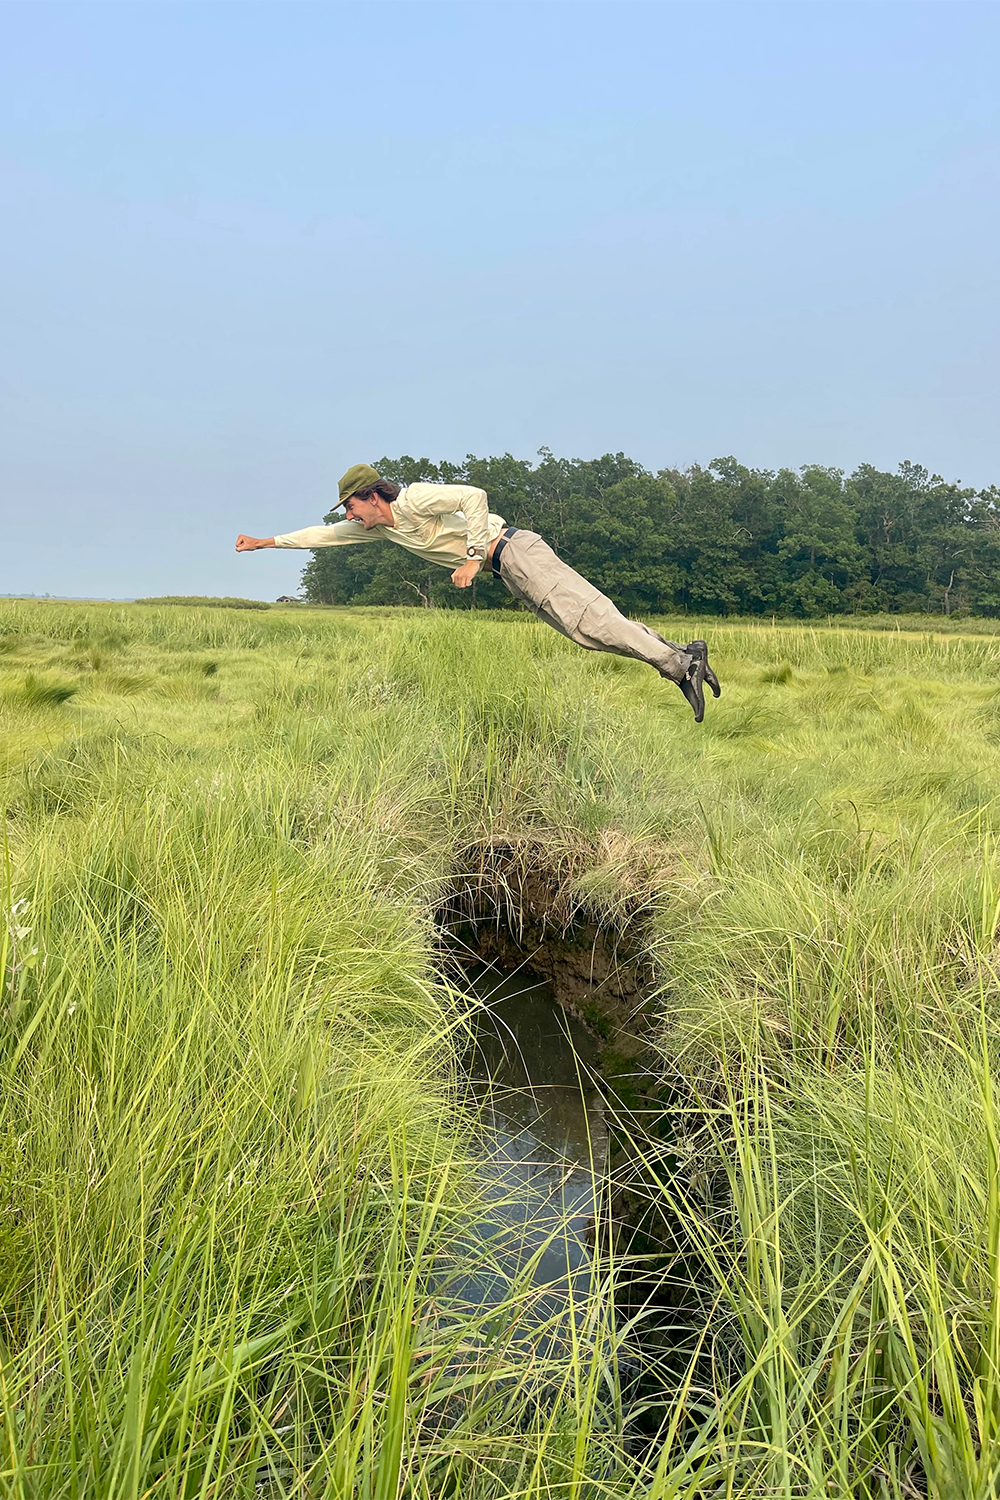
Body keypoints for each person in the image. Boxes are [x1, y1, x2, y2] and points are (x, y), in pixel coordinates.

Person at [236, 463, 721, 720]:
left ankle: (679, 665)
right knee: (586, 633)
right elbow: (322, 536)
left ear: (374, 495)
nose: (348, 516)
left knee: (589, 619)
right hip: (508, 569)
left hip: (515, 551)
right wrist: (265, 543)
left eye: (351, 505)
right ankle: (682, 656)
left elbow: (474, 497)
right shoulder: (377, 529)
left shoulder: (415, 499)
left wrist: (472, 554)